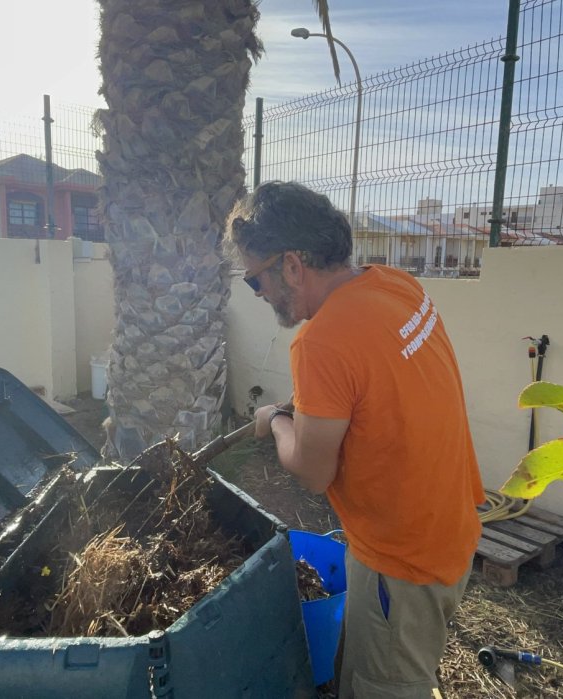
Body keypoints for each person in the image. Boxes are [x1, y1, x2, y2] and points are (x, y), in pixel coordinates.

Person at [225, 181, 485, 698]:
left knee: (386, 686)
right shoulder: (396, 285)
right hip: (451, 529)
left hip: (401, 564)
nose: (258, 294)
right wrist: (305, 406)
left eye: (255, 279)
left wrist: (274, 422)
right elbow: (375, 386)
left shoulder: (320, 342)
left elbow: (311, 472)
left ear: (292, 265)